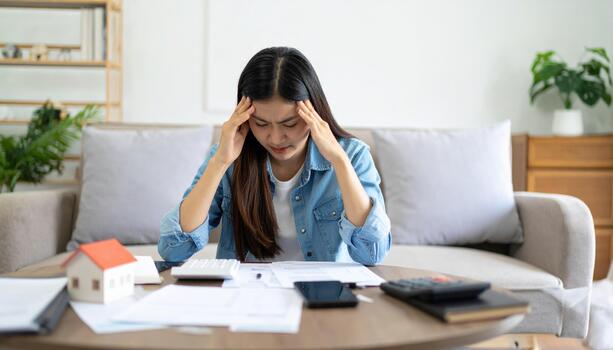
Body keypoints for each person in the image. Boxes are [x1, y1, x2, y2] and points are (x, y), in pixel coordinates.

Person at [158, 47, 391, 265]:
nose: (276, 138)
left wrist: (339, 162)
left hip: (324, 298)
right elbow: (174, 249)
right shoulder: (227, 159)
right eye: (261, 123)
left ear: (313, 113)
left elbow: (371, 253)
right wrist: (220, 162)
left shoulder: (352, 156)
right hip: (246, 296)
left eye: (289, 123)